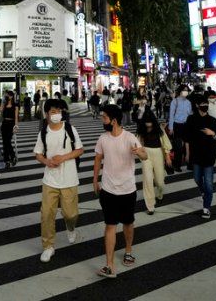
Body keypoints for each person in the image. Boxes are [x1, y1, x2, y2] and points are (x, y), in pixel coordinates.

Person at [93, 105, 147, 278]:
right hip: (108, 189)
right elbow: (98, 158)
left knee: (128, 223)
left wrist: (140, 152)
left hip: (127, 189)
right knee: (110, 225)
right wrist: (95, 179)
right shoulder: (103, 138)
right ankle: (109, 265)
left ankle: (128, 250)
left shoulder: (130, 138)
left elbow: (144, 155)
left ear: (113, 120)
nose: (103, 120)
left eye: (104, 118)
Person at [34, 98, 84, 262]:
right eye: (53, 112)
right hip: (50, 180)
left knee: (70, 214)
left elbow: (79, 150)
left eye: (59, 111)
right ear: (47, 114)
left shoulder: (70, 129)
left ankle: (70, 226)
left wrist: (63, 158)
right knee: (47, 214)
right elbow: (38, 154)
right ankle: (48, 246)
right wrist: (46, 161)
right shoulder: (43, 132)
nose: (57, 115)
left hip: (69, 179)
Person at [186, 96, 216, 219]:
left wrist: (213, 134)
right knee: (196, 178)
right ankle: (203, 192)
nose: (205, 105)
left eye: (206, 103)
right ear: (197, 105)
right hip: (196, 154)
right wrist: (187, 153)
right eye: (202, 103)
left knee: (208, 183)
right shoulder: (191, 119)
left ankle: (206, 208)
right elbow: (188, 138)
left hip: (209, 155)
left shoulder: (212, 120)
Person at [136, 107, 172, 215]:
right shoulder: (141, 130)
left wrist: (168, 157)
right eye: (146, 121)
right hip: (146, 154)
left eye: (150, 121)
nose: (148, 123)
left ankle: (160, 193)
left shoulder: (159, 129)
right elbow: (137, 143)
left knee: (160, 182)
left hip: (158, 154)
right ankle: (150, 205)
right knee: (147, 179)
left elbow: (166, 143)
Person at [167, 86, 193, 171]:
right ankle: (177, 165)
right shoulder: (175, 101)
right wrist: (171, 128)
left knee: (188, 145)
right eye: (184, 90)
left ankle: (189, 164)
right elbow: (171, 115)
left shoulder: (188, 102)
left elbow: (190, 115)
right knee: (178, 147)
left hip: (187, 125)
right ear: (180, 91)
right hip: (177, 125)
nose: (186, 92)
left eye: (187, 90)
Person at [0, 90, 20, 166]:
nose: (6, 96)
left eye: (7, 95)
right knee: (4, 142)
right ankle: (7, 160)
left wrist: (16, 126)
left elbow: (16, 117)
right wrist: (2, 102)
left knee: (7, 141)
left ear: (11, 96)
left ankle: (12, 156)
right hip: (4, 123)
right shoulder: (4, 104)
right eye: (5, 95)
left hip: (11, 124)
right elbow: (1, 112)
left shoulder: (15, 105)